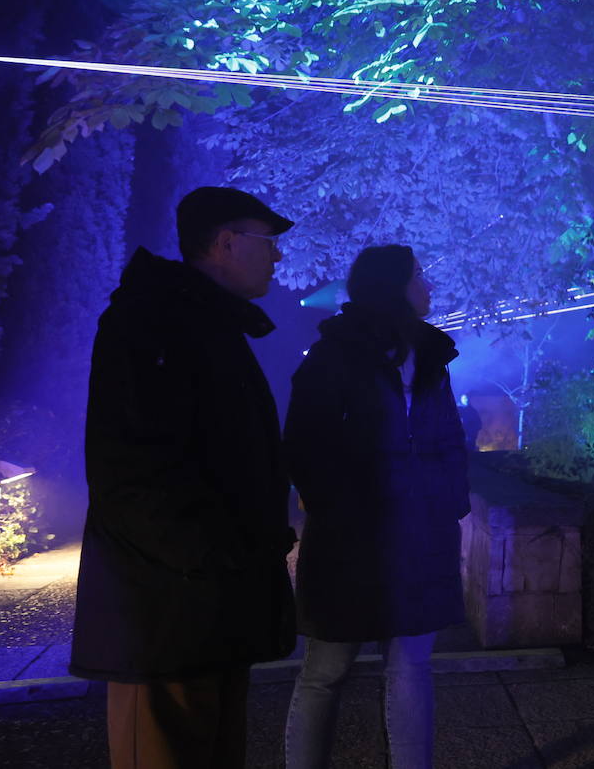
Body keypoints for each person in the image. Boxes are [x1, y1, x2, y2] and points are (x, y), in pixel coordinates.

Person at [70, 186, 298, 769]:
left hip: (206, 604)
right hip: (169, 613)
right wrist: (217, 556)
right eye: (268, 242)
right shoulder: (157, 322)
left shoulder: (202, 322)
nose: (277, 256)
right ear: (224, 243)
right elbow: (134, 473)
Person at [282, 245, 470, 769]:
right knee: (327, 666)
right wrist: (338, 510)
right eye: (419, 277)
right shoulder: (336, 353)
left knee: (410, 663)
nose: (428, 287)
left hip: (419, 533)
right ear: (393, 286)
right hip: (351, 537)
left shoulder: (429, 353)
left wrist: (448, 502)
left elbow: (449, 437)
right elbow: (303, 443)